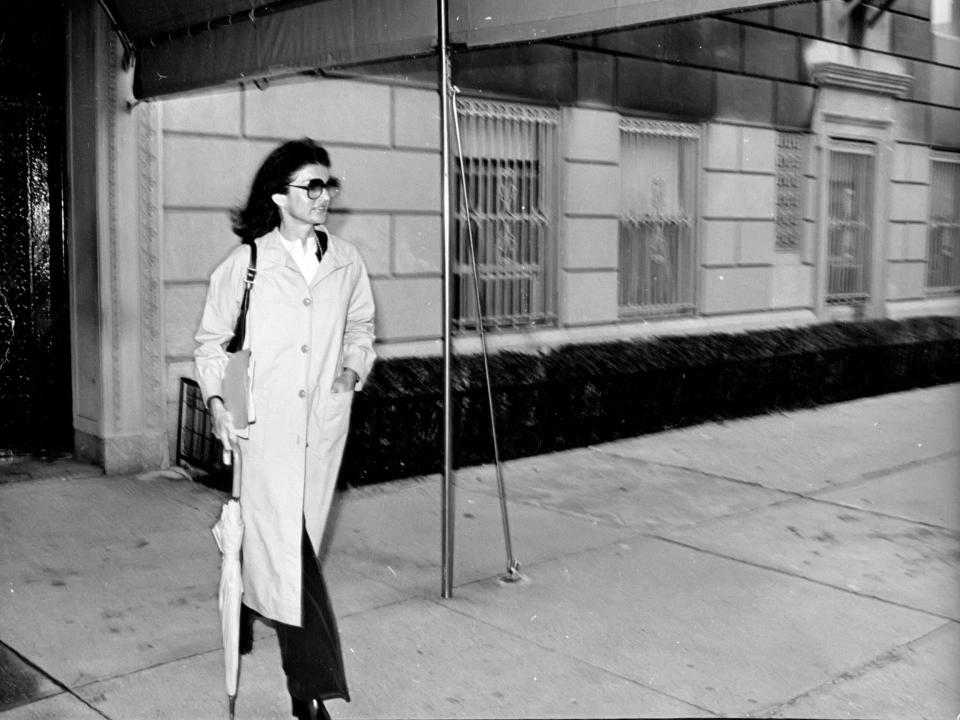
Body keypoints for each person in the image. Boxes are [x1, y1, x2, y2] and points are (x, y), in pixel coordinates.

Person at [194, 138, 376, 720]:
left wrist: (351, 370)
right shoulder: (245, 265)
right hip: (261, 430)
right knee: (292, 558)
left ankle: (248, 606)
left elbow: (362, 327)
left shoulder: (347, 262)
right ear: (280, 196)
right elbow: (211, 345)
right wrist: (220, 402)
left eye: (329, 185)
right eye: (311, 186)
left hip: (320, 428)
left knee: (284, 549)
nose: (324, 196)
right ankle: (312, 691)